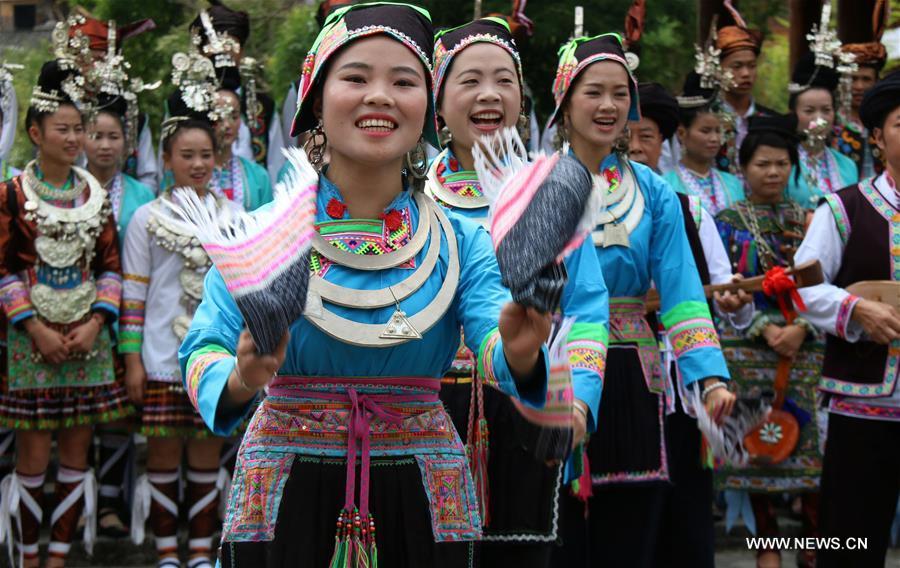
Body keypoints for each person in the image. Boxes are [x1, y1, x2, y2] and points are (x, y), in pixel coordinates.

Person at [180, 4, 555, 566]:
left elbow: (493, 342)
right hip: (287, 489)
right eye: (356, 77)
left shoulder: (456, 240)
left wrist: (521, 353)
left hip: (424, 491)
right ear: (316, 99)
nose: (380, 96)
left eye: (404, 81)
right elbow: (200, 350)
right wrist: (240, 377)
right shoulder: (262, 236)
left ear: (425, 108)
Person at [545, 33, 734, 567]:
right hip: (553, 369)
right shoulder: (531, 185)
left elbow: (682, 292)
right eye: (592, 92)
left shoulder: (653, 192)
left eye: (619, 94)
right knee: (558, 541)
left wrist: (710, 376)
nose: (608, 106)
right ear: (564, 97)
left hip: (634, 373)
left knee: (629, 538)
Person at [428, 17, 608, 567]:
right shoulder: (405, 196)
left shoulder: (551, 196)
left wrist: (578, 401)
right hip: (420, 414)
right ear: (438, 107)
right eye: (470, 80)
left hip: (527, 408)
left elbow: (586, 311)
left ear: (523, 102)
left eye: (505, 80)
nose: (489, 94)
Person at [0, 59, 131, 568]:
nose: (75, 137)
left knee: (77, 454)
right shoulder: (11, 195)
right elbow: (4, 268)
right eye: (64, 129)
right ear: (36, 132)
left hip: (86, 340)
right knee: (32, 458)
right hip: (29, 342)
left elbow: (112, 269)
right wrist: (33, 327)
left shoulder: (95, 197)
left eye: (80, 127)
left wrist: (96, 323)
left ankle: (58, 557)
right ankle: (29, 558)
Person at [630, 78, 753, 568]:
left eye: (649, 137)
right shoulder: (584, 205)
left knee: (686, 506)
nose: (637, 147)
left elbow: (729, 298)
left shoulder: (688, 208)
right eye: (629, 135)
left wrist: (738, 300)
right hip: (617, 380)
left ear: (666, 143)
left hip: (681, 383)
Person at [123, 86, 232, 568]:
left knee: (207, 460)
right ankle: (168, 553)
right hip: (162, 360)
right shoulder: (146, 219)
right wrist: (132, 361)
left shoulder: (234, 218)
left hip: (217, 358)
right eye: (186, 154)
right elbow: (133, 295)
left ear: (219, 157)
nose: (197, 164)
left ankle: (202, 554)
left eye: (206, 154)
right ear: (166, 158)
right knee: (164, 459)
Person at [795, 69, 900, 568]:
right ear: (878, 138)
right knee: (851, 540)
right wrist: (856, 308)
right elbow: (804, 286)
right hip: (863, 406)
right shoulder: (844, 209)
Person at [716, 115, 823, 568]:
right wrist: (763, 328)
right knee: (758, 459)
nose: (773, 172)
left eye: (782, 163)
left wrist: (803, 328)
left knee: (810, 465)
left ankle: (816, 550)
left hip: (804, 350)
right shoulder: (725, 222)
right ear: (744, 168)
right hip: (745, 350)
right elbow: (719, 287)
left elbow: (829, 284)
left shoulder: (813, 220)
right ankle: (768, 554)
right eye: (763, 164)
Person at [83, 93, 155, 538]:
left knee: (118, 415)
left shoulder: (144, 195)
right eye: (96, 135)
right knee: (74, 414)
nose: (105, 145)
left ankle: (110, 503)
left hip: (125, 316)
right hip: (75, 316)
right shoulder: (68, 187)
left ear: (128, 143)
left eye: (113, 136)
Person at [190, 2, 285, 180]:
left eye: (230, 47)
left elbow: (275, 167)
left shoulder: (262, 106)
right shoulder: (183, 103)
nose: (222, 55)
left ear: (241, 52)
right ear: (200, 53)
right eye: (214, 48)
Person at [69, 14, 158, 188]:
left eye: (100, 61)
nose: (93, 69)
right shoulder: (61, 113)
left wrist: (135, 206)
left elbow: (148, 176)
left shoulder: (132, 115)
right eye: (85, 61)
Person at [785, 52, 859, 209]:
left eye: (826, 110)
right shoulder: (785, 163)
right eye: (809, 111)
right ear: (793, 114)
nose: (819, 119)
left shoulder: (847, 165)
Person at [664, 72, 744, 215]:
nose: (714, 138)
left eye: (718, 131)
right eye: (705, 131)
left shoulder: (733, 183)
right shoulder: (667, 184)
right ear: (682, 133)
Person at [833, 11, 888, 179]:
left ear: (876, 82)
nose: (859, 86)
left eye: (866, 79)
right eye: (853, 79)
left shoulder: (884, 122)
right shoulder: (831, 123)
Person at [210, 75, 273, 211]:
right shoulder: (192, 173)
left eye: (233, 116)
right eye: (219, 117)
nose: (227, 125)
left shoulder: (259, 176)